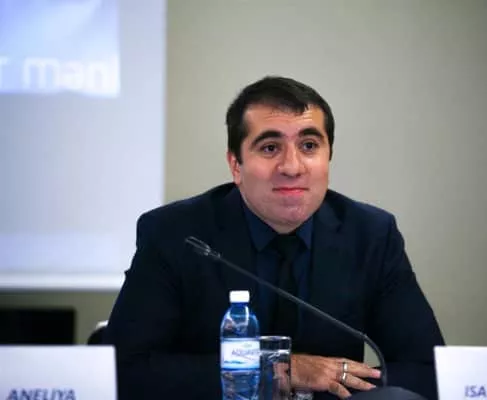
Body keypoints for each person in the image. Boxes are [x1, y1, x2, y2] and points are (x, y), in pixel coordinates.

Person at [104, 76, 444, 400]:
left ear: (328, 157)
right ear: (235, 165)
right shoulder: (176, 234)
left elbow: (429, 370)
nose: (292, 167)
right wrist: (279, 369)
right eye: (270, 148)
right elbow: (124, 371)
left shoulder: (371, 235)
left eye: (309, 146)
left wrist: (339, 386)